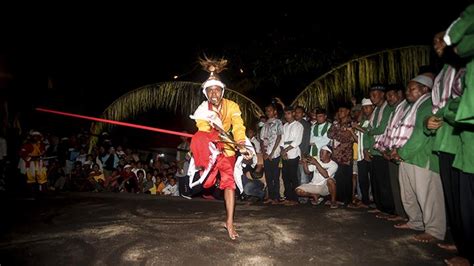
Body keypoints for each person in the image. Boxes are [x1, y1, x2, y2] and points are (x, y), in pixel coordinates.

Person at [188, 57, 253, 240]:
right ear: (206, 93)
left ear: (222, 91)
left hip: (228, 150)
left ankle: (230, 222)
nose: (214, 93)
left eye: (217, 90)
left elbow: (239, 126)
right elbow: (203, 130)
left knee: (229, 184)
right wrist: (214, 127)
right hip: (211, 149)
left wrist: (240, 141)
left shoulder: (232, 106)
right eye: (210, 90)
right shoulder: (202, 109)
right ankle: (205, 173)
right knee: (207, 183)